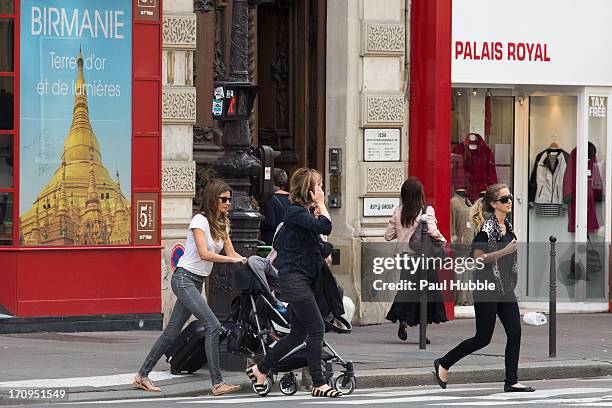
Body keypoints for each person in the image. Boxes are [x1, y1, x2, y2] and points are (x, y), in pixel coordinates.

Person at [133, 180, 246, 396]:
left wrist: (246, 261)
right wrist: (229, 261)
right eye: (224, 199)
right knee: (213, 325)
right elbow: (203, 253)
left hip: (197, 281)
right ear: (213, 199)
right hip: (184, 279)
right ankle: (217, 383)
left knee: (171, 333)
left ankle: (142, 375)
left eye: (229, 199)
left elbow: (231, 253)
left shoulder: (222, 223)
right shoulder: (199, 221)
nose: (228, 203)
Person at [245, 167, 342, 398]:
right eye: (317, 186)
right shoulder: (296, 213)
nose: (321, 190)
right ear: (308, 191)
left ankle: (260, 369)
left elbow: (311, 244)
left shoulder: (301, 215)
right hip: (295, 280)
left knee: (298, 334)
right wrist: (322, 204)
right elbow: (326, 227)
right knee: (316, 328)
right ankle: (319, 382)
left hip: (300, 280)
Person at [434, 183, 535, 393]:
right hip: (487, 288)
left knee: (515, 332)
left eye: (510, 197)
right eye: (504, 199)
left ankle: (511, 381)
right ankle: (444, 362)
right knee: (482, 338)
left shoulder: (508, 225)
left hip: (505, 288)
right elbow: (476, 260)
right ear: (493, 204)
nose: (509, 202)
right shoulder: (488, 228)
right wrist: (504, 251)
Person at [384, 177, 448, 343]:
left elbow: (388, 235)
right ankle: (422, 334)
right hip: (423, 258)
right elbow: (433, 232)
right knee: (426, 294)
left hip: (406, 258)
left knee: (407, 290)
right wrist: (443, 241)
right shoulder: (426, 211)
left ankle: (403, 320)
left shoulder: (399, 212)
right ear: (420, 193)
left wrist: (402, 231)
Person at [260, 168, 290, 245]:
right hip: (289, 239)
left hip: (273, 240)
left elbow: (270, 222)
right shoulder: (293, 198)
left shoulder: (270, 198)